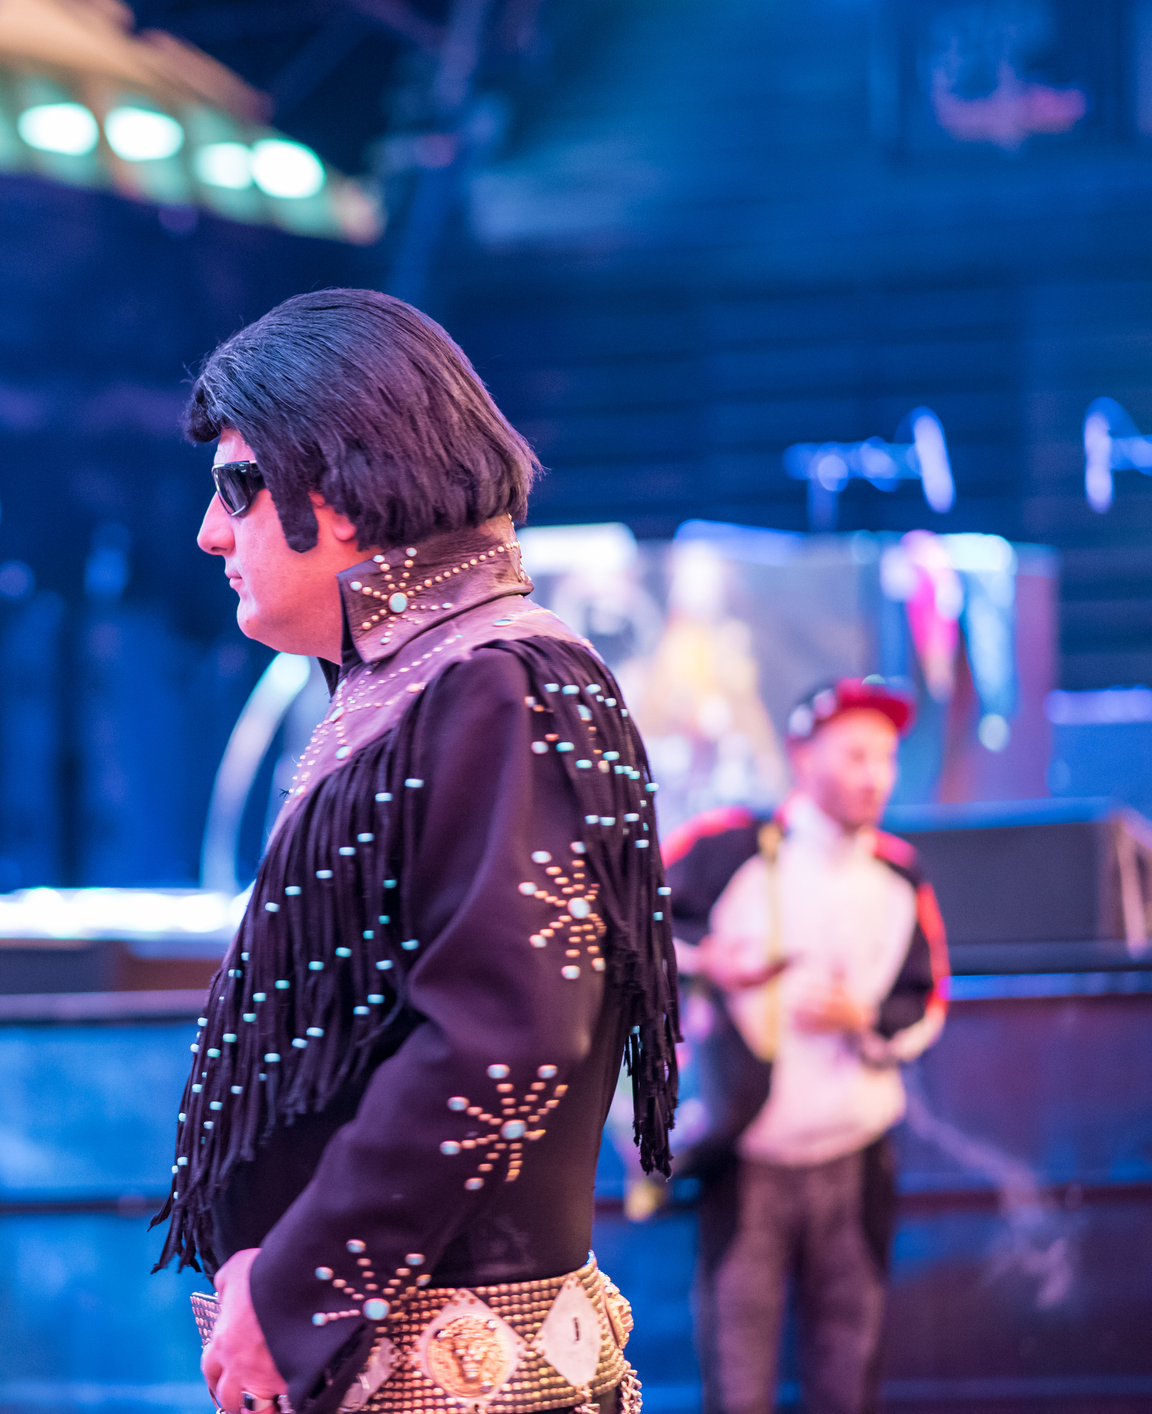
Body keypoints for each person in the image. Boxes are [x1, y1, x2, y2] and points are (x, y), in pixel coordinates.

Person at [154, 289, 681, 1414]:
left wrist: (295, 1295)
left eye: (237, 485)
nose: (211, 531)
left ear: (337, 481)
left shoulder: (495, 681)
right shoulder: (433, 679)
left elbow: (506, 1036)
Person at [663, 679, 949, 1414]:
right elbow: (629, 922)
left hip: (856, 1152)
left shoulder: (897, 871)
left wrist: (865, 1018)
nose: (872, 775)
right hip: (746, 1151)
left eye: (884, 758)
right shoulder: (729, 846)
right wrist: (708, 961)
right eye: (854, 754)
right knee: (737, 1374)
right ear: (800, 754)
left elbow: (927, 999)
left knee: (847, 1368)